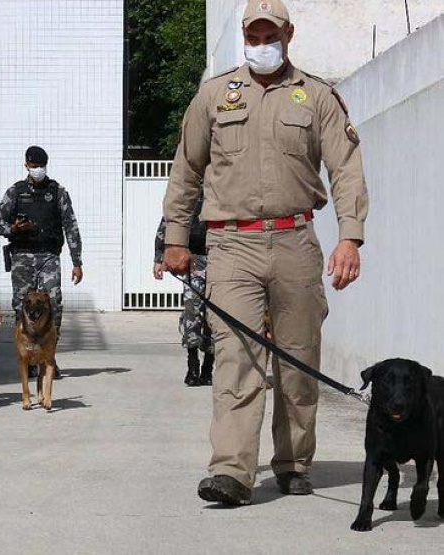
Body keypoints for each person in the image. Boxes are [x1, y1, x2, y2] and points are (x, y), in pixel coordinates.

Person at [161, 0, 369, 505]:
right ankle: (231, 471)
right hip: (231, 244)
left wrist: (350, 235)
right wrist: (173, 237)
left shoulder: (316, 97)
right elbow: (186, 169)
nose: (260, 44)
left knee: (297, 360)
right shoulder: (213, 97)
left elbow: (345, 168)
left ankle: (295, 462)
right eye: (252, 36)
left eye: (268, 35)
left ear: (288, 34)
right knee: (236, 357)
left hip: (296, 240)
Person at [0, 146, 83, 378]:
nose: (37, 170)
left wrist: (77, 261)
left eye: (41, 166)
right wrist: (13, 228)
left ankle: (48, 357)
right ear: (26, 165)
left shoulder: (57, 192)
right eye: (33, 166)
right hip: (22, 257)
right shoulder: (15, 192)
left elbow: (71, 227)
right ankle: (28, 358)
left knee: (54, 304)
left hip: (49, 256)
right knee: (21, 307)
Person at [153, 198, 213, 386]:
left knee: (214, 317)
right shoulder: (191, 191)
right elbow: (169, 221)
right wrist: (159, 257)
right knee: (192, 312)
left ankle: (208, 368)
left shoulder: (222, 186)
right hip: (193, 259)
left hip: (219, 258)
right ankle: (193, 365)